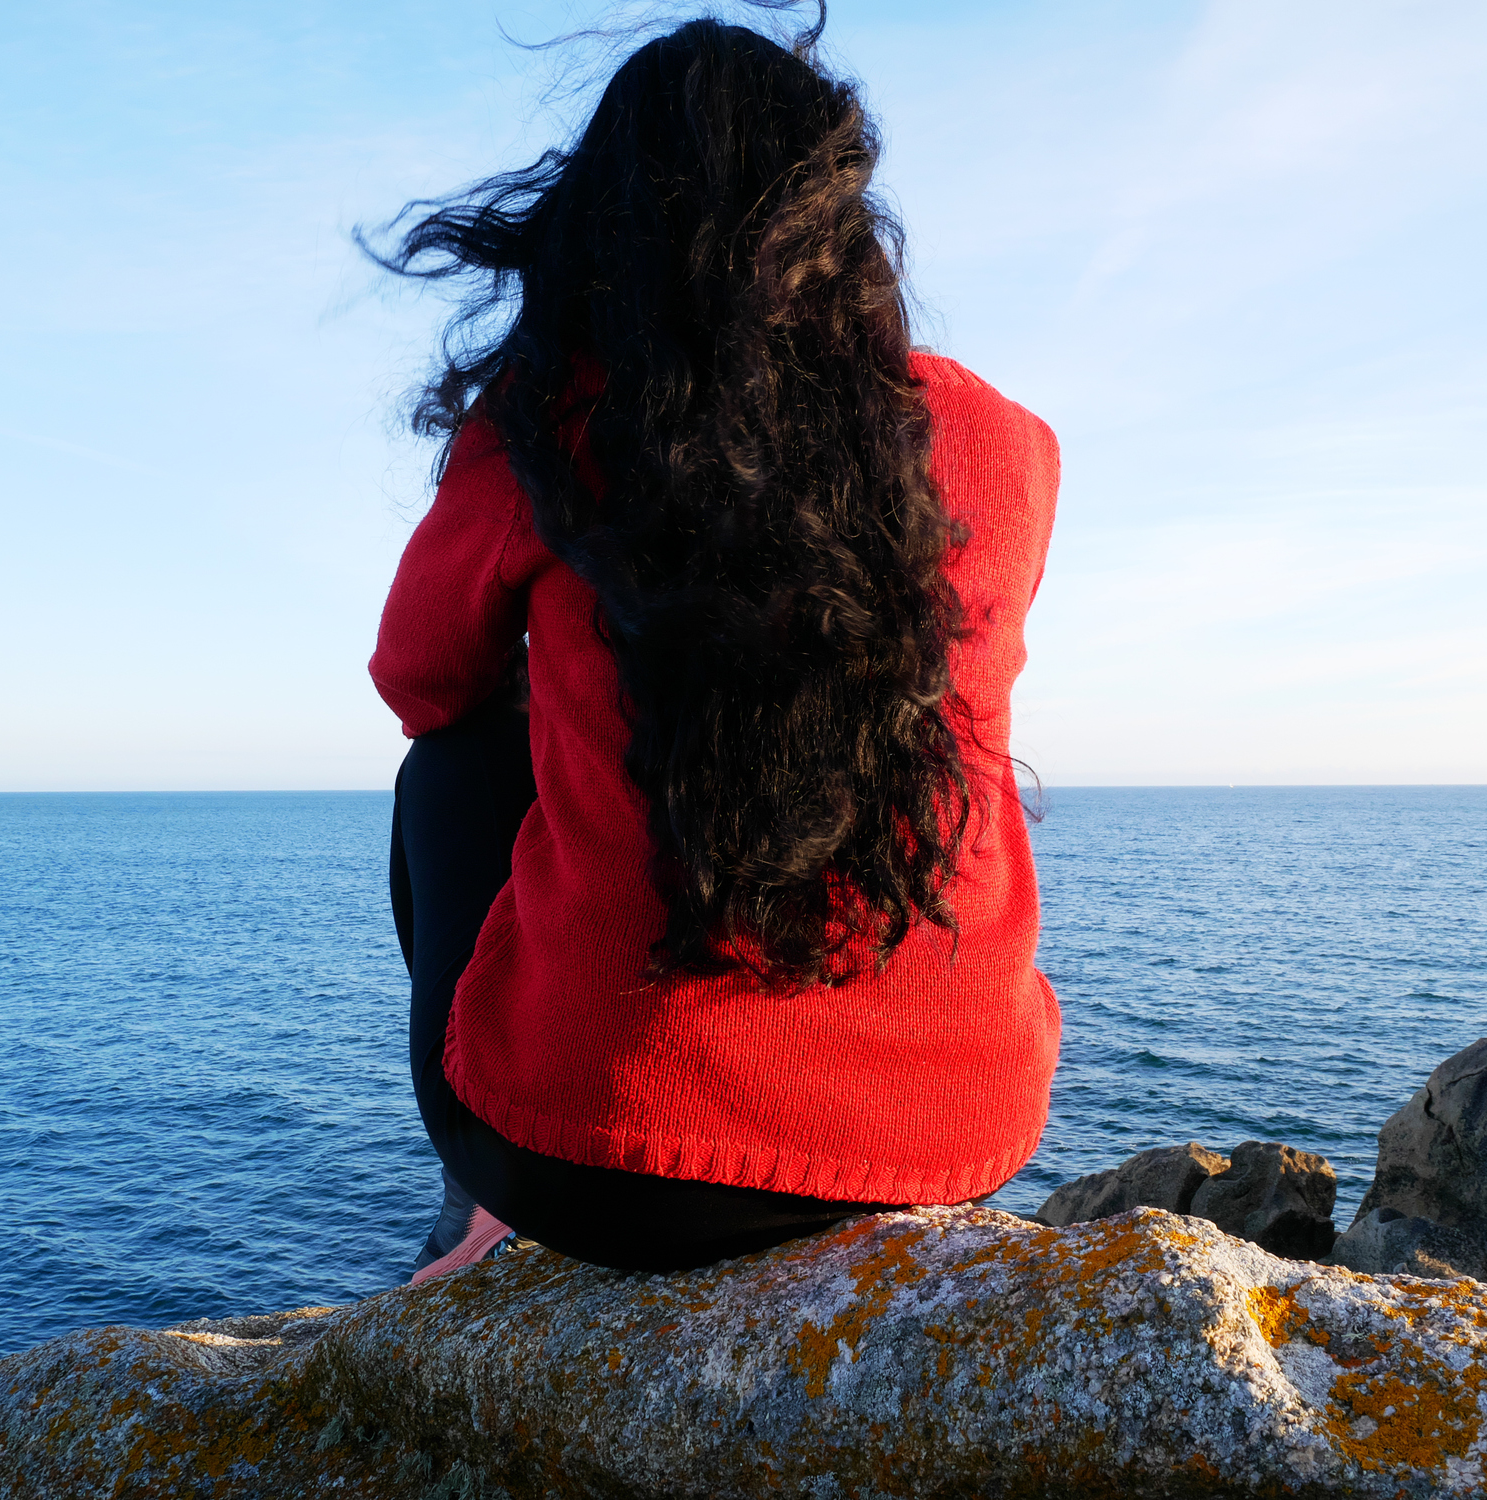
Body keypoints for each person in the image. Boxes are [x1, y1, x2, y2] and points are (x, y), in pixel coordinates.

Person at [366, 14, 1060, 1275]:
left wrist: (597, 669)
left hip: (590, 1162)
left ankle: (476, 1202)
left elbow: (423, 683)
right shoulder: (1007, 445)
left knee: (456, 765)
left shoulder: (555, 419)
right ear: (844, 216)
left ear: (603, 226)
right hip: (946, 1143)